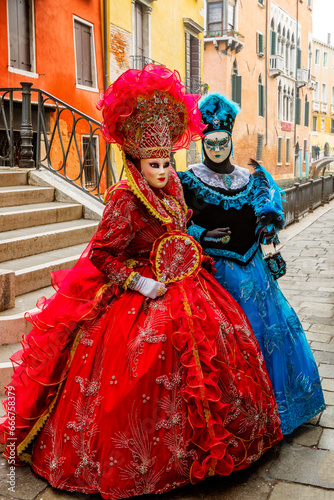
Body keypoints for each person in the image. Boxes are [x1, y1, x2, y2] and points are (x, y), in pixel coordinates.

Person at [0, 67, 282, 498]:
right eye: (156, 164)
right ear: (137, 161)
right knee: (141, 364)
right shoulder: (124, 198)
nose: (165, 170)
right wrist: (138, 283)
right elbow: (100, 254)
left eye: (168, 162)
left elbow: (182, 232)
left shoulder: (173, 190)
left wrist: (195, 253)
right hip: (139, 294)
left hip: (188, 284)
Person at [178, 93, 325, 436]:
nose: (216, 147)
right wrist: (200, 232)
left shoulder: (253, 179)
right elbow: (174, 223)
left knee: (270, 335)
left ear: (230, 139)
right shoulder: (187, 180)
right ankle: (242, 421)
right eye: (210, 141)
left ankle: (281, 410)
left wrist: (270, 244)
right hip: (216, 277)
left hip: (257, 274)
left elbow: (266, 228)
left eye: (222, 141)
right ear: (203, 142)